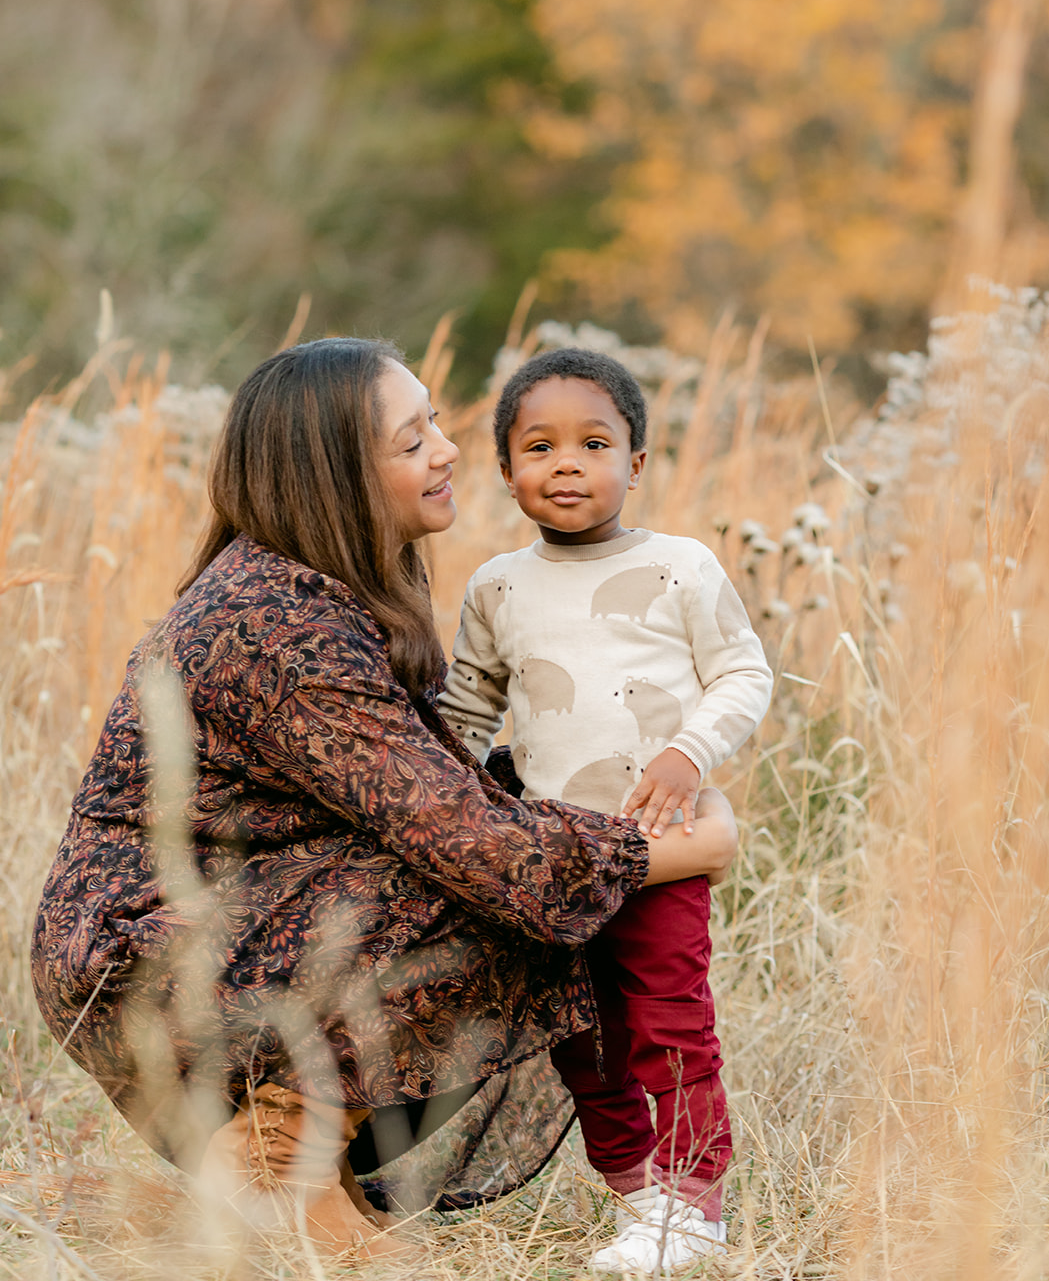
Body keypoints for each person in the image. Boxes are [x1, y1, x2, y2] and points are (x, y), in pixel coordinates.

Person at [29, 337, 738, 1266]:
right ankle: (276, 1169)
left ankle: (284, 1166)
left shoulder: (336, 583)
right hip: (155, 953)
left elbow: (449, 784)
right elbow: (471, 840)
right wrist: (670, 852)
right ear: (335, 476)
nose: (447, 450)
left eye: (435, 422)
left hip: (228, 924)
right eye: (412, 441)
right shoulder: (274, 620)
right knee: (490, 882)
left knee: (494, 865)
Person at [438, 346, 773, 1271]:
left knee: (667, 1020)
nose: (566, 464)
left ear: (633, 462)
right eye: (538, 447)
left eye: (593, 443)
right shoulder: (496, 587)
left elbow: (744, 673)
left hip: (660, 846)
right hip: (556, 864)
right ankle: (637, 1192)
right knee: (579, 1035)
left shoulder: (680, 567)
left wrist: (687, 750)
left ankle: (692, 1203)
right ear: (506, 473)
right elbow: (465, 711)